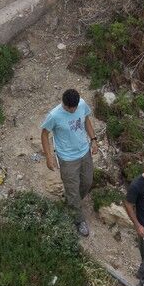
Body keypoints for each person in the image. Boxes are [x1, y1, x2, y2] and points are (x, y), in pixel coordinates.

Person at [41, 88, 98, 236]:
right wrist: (49, 157)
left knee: (87, 181)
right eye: (69, 108)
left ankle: (72, 202)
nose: (73, 110)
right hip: (67, 158)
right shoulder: (54, 115)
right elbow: (44, 134)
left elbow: (86, 120)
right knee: (72, 190)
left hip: (84, 152)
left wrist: (93, 140)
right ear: (63, 103)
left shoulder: (82, 105)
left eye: (75, 107)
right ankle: (79, 220)